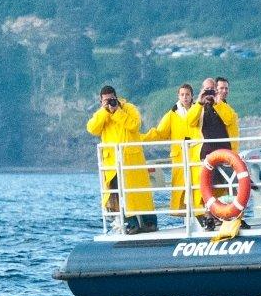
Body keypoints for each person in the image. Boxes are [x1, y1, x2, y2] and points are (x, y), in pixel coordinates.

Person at [87, 86, 154, 232]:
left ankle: (150, 222)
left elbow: (134, 125)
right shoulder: (101, 115)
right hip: (113, 162)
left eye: (112, 99)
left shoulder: (129, 108)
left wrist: (117, 112)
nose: (109, 102)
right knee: (118, 194)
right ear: (101, 101)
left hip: (131, 159)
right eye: (106, 100)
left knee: (140, 192)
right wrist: (105, 112)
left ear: (116, 97)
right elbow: (92, 129)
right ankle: (131, 224)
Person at [142, 83, 201, 211]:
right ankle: (185, 216)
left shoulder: (199, 110)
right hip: (179, 156)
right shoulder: (172, 114)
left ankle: (201, 215)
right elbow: (160, 132)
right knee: (181, 188)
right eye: (182, 94)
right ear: (178, 96)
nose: (185, 97)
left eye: (187, 95)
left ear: (192, 96)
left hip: (197, 154)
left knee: (198, 185)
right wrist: (141, 138)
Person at [195, 79, 236, 160]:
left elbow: (229, 120)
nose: (209, 92)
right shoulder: (198, 107)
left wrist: (217, 103)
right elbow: (190, 121)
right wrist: (199, 102)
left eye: (212, 90)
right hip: (206, 151)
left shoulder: (225, 107)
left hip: (224, 150)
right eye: (207, 90)